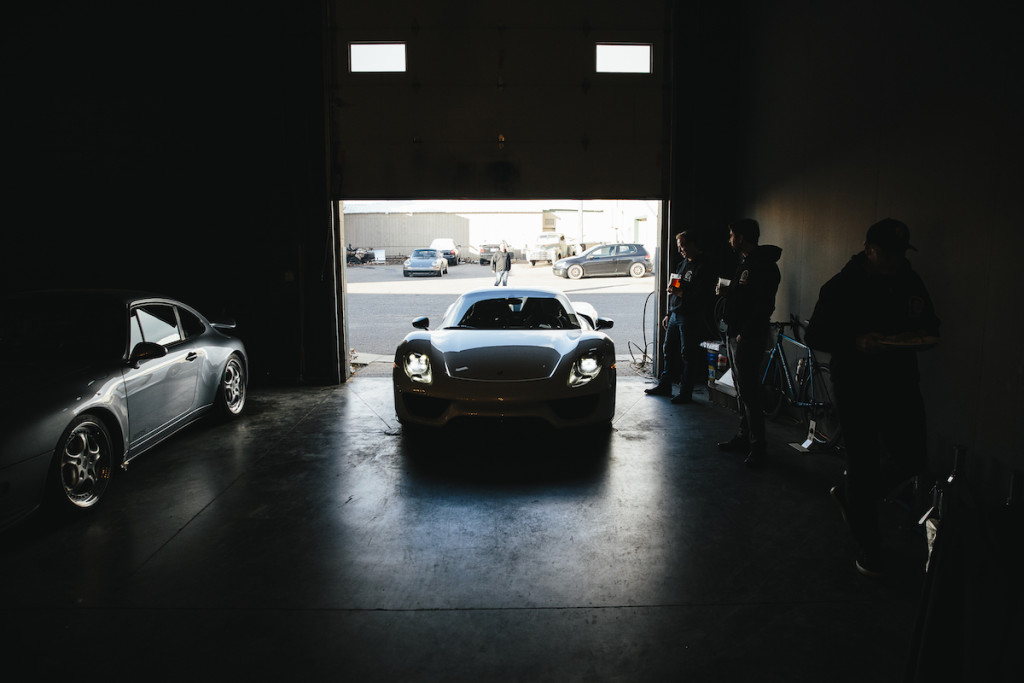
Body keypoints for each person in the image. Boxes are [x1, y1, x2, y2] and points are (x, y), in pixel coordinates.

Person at [804, 218, 940, 578]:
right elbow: (815, 334)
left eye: (900, 252)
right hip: (858, 386)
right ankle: (870, 546)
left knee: (913, 456)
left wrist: (923, 336)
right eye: (887, 252)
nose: (894, 259)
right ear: (868, 249)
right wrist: (854, 342)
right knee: (863, 464)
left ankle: (852, 495)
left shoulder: (908, 279)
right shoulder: (842, 285)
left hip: (901, 384)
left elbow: (930, 323)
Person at [716, 219, 782, 467]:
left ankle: (758, 448)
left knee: (750, 393)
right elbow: (745, 296)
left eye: (732, 234)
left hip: (747, 337)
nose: (730, 239)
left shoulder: (763, 266)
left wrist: (745, 332)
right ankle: (744, 437)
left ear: (741, 237)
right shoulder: (746, 263)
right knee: (742, 389)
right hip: (735, 333)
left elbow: (764, 305)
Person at [645, 230, 717, 403]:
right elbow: (674, 290)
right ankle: (665, 385)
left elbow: (702, 295)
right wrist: (669, 313)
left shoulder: (704, 265)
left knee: (688, 355)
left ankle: (686, 392)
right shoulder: (682, 264)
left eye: (683, 245)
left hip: (691, 316)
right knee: (668, 350)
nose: (681, 250)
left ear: (693, 244)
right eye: (679, 246)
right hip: (676, 315)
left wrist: (680, 292)